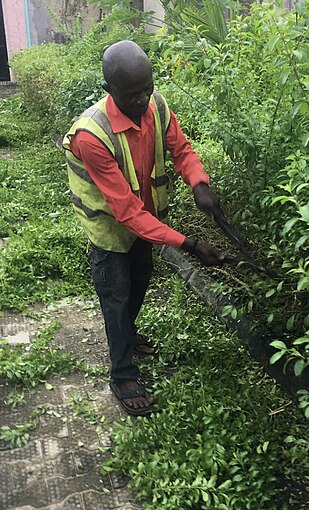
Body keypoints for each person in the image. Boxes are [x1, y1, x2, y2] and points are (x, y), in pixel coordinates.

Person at [63, 40, 226, 416]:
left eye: (147, 89)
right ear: (109, 91)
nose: (142, 100)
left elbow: (181, 150)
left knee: (139, 283)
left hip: (145, 223)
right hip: (111, 230)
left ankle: (128, 336)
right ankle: (122, 375)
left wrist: (199, 184)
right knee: (116, 297)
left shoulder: (157, 106)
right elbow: (126, 210)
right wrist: (189, 245)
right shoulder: (91, 135)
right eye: (132, 94)